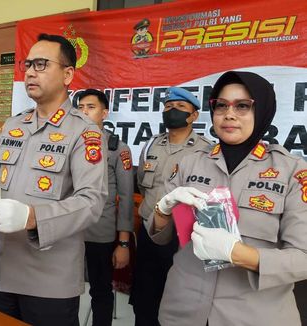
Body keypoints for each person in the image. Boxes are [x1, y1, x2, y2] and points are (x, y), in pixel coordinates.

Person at [0, 34, 108, 326]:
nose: (31, 72)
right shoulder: (14, 125)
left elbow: (91, 201)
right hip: (3, 272)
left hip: (50, 282)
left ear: (68, 74)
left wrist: (32, 216)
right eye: (28, 65)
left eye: (41, 64)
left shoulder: (84, 132)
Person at [148, 71, 307, 325]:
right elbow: (162, 235)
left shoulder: (292, 171)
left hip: (254, 315)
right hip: (183, 311)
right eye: (221, 105)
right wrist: (162, 210)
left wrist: (239, 254)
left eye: (242, 106)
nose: (229, 114)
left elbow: (303, 257)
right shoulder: (190, 163)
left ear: (263, 110)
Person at [130, 87, 213, 326]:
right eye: (168, 107)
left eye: (179, 108)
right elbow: (143, 188)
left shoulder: (206, 150)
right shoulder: (151, 146)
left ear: (194, 116)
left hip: (183, 240)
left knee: (179, 302)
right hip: (149, 231)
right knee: (145, 299)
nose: (172, 111)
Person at [78, 89, 134, 326]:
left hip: (99, 231)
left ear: (104, 112)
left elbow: (127, 196)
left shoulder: (117, 148)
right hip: (70, 230)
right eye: (80, 107)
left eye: (90, 107)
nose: (83, 112)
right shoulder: (69, 141)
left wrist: (123, 243)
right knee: (64, 287)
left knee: (100, 291)